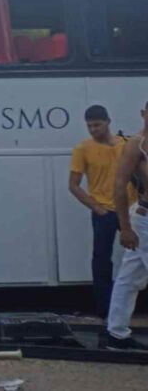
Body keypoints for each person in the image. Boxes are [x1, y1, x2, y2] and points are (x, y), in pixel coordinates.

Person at [69, 105, 130, 318]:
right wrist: (96, 207)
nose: (93, 130)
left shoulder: (126, 145)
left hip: (130, 210)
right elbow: (74, 185)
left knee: (139, 255)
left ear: (108, 121)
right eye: (90, 126)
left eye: (97, 125)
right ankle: (105, 310)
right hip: (104, 211)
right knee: (102, 259)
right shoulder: (82, 149)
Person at [105, 100, 148, 350]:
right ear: (143, 114)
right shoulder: (136, 145)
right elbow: (119, 186)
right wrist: (125, 228)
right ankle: (116, 332)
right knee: (129, 277)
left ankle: (117, 333)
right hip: (144, 220)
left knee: (129, 277)